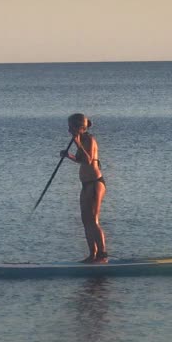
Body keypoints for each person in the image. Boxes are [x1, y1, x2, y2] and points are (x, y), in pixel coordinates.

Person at [61, 113, 107, 263]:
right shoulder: (81, 139)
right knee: (85, 220)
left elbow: (88, 160)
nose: (69, 130)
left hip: (95, 183)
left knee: (93, 220)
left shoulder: (90, 140)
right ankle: (92, 254)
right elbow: (80, 159)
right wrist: (68, 156)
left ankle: (102, 255)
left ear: (80, 128)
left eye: (71, 127)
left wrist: (77, 142)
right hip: (85, 184)